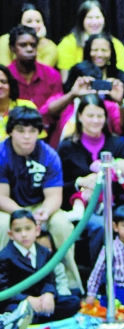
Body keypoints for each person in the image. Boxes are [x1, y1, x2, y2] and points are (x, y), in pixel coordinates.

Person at [0, 106, 80, 289]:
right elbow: (1, 196)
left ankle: (71, 284)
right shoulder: (1, 154)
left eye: (32, 131)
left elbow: (54, 196)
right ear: (10, 131)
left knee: (61, 223)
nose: (26, 136)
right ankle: (3, 286)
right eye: (20, 131)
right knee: (3, 225)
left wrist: (45, 211)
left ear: (39, 132)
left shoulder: (49, 155)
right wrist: (22, 215)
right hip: (8, 208)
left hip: (39, 206)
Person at [57, 94, 124, 268]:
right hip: (80, 206)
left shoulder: (116, 144)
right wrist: (80, 182)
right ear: (80, 116)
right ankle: (97, 278)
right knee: (101, 226)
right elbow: (59, 185)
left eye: (100, 116)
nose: (95, 120)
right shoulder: (66, 147)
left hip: (113, 204)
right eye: (90, 116)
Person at [7, 26, 92, 139]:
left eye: (33, 45)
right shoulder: (5, 77)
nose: (29, 49)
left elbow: (56, 111)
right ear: (12, 48)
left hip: (50, 136)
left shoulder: (52, 75)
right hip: (12, 135)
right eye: (23, 45)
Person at [0, 209, 80, 323]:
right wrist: (27, 300)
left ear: (37, 230)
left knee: (73, 302)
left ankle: (34, 318)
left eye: (28, 229)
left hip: (41, 299)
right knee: (13, 311)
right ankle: (33, 317)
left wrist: (48, 294)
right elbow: (4, 288)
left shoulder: (44, 252)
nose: (24, 234)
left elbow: (49, 279)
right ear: (11, 234)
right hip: (19, 302)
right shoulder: (4, 256)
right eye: (18, 230)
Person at [55, 0, 124, 78]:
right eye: (89, 18)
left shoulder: (116, 44)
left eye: (98, 17)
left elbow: (123, 76)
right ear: (82, 20)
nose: (94, 22)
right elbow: (66, 81)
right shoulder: (68, 43)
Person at [0, 65, 38, 142]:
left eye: (3, 82)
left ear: (11, 85)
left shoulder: (26, 107)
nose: (0, 86)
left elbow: (36, 140)